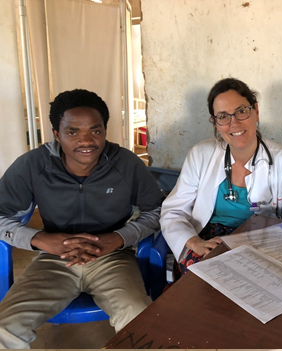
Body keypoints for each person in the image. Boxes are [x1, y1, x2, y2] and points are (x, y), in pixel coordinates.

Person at [0, 89, 163, 348]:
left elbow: (156, 211)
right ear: (56, 134)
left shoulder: (126, 164)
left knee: (138, 318)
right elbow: (1, 217)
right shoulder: (33, 165)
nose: (86, 141)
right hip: (54, 260)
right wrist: (40, 240)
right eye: (72, 132)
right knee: (5, 326)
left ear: (105, 131)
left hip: (112, 257)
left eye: (95, 131)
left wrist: (119, 238)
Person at [161, 78, 282, 276]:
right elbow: (173, 211)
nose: (233, 123)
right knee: (204, 283)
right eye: (223, 116)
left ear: (256, 111)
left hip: (261, 243)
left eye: (241, 111)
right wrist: (195, 243)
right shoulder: (200, 155)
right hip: (208, 242)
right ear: (215, 123)